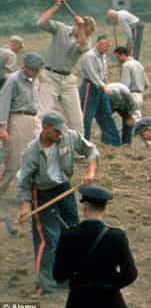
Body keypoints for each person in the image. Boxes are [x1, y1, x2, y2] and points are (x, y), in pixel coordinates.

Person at [16, 111, 99, 295]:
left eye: (62, 131)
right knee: (48, 239)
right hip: (42, 193)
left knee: (72, 231)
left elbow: (91, 150)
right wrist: (25, 205)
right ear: (45, 128)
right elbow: (23, 182)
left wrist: (90, 171)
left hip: (64, 187)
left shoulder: (69, 136)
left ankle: (66, 277)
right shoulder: (31, 152)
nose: (60, 135)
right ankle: (44, 284)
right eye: (56, 131)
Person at [53, 185, 137, 308]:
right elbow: (131, 274)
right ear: (104, 209)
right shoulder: (117, 237)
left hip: (78, 300)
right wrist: (109, 285)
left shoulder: (68, 236)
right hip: (110, 300)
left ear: (84, 207)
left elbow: (58, 276)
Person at [38, 0, 94, 134]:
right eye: (86, 32)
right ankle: (40, 144)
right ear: (76, 25)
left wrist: (81, 28)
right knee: (44, 113)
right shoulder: (61, 29)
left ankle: (78, 149)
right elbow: (41, 23)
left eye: (87, 34)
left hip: (68, 80)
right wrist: (56, 6)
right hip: (49, 76)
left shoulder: (86, 39)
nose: (86, 36)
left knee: (76, 119)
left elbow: (83, 46)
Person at [0, 53, 44, 196]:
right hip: (17, 119)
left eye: (39, 70)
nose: (38, 73)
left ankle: (30, 194)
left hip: (33, 119)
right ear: (26, 68)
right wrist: (2, 127)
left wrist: (38, 120)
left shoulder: (35, 80)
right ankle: (1, 189)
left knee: (34, 157)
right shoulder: (13, 80)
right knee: (14, 160)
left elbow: (36, 101)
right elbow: (3, 103)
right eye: (35, 70)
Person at [79, 35, 121, 146]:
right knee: (86, 118)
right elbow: (92, 75)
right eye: (106, 46)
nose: (107, 48)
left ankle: (113, 142)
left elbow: (103, 73)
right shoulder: (89, 56)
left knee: (106, 114)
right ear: (98, 43)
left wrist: (106, 84)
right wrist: (103, 86)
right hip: (90, 88)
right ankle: (84, 143)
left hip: (101, 89)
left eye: (109, 46)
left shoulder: (103, 56)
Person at [114, 46, 149, 119]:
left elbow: (124, 86)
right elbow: (147, 83)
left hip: (131, 96)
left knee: (132, 121)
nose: (117, 60)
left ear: (123, 55)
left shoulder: (126, 66)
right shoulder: (138, 64)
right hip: (140, 96)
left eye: (118, 57)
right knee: (136, 118)